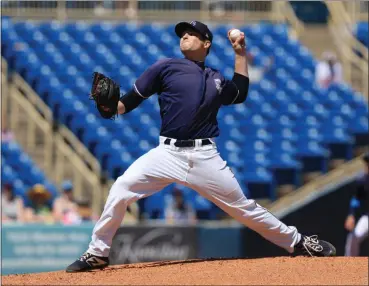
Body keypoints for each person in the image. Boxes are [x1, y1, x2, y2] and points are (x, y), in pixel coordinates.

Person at [66, 20, 336, 273]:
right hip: (166, 153)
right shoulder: (165, 67)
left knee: (243, 207)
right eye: (182, 34)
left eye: (192, 33)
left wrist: (240, 53)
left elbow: (239, 94)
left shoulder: (216, 77)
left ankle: (298, 242)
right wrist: (107, 107)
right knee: (121, 189)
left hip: (204, 156)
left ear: (206, 43)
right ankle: (98, 252)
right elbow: (127, 103)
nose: (184, 36)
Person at [344, 152, 369, 256]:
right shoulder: (362, 180)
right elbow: (356, 199)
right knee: (353, 237)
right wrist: (351, 214)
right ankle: (350, 266)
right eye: (367, 164)